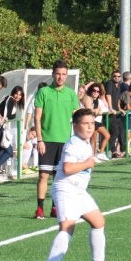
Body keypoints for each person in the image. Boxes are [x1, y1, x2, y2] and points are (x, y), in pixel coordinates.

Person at [39, 108, 119, 261]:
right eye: (85, 124)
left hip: (78, 191)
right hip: (66, 189)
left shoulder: (84, 142)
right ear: (75, 126)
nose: (90, 127)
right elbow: (67, 168)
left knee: (98, 222)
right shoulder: (74, 143)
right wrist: (88, 163)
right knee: (67, 227)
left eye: (92, 123)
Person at [33, 62, 80, 218]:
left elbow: (77, 118)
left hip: (65, 141)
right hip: (47, 140)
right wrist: (39, 140)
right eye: (58, 73)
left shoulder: (71, 94)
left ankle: (55, 207)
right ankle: (40, 208)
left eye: (64, 74)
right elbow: (37, 118)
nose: (61, 77)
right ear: (53, 74)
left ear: (67, 75)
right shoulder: (44, 92)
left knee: (59, 177)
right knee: (43, 175)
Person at [0, 85, 25, 180]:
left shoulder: (12, 101)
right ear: (13, 93)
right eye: (16, 94)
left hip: (1, 127)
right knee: (9, 152)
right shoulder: (10, 100)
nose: (17, 96)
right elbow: (7, 115)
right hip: (0, 127)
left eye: (20, 95)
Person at [81, 82, 112, 160]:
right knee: (93, 140)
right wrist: (97, 110)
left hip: (96, 121)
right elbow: (89, 110)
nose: (95, 92)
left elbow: (104, 109)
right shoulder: (88, 98)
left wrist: (98, 111)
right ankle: (92, 156)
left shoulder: (98, 100)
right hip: (89, 121)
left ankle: (100, 153)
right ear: (91, 91)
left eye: (97, 91)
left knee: (107, 135)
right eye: (94, 90)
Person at [104, 70, 129, 159]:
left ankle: (123, 151)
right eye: (115, 76)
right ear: (112, 76)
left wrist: (119, 109)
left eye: (119, 76)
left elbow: (118, 99)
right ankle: (113, 151)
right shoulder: (110, 83)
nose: (117, 78)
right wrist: (111, 108)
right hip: (110, 113)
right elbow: (108, 96)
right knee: (114, 132)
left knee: (122, 131)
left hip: (116, 113)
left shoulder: (119, 85)